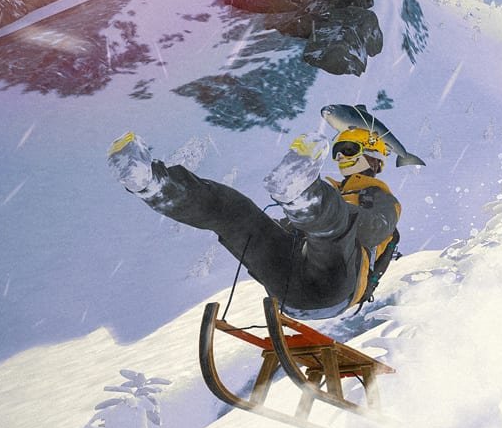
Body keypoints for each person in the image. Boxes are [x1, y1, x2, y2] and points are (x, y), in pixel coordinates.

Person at [108, 109, 406, 320]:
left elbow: (371, 230)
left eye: (349, 149)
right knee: (238, 214)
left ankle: (306, 200)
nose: (340, 157)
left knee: (333, 228)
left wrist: (325, 213)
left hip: (335, 288)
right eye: (337, 151)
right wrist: (268, 229)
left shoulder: (383, 200)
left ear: (373, 154)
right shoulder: (333, 193)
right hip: (289, 286)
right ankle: (153, 183)